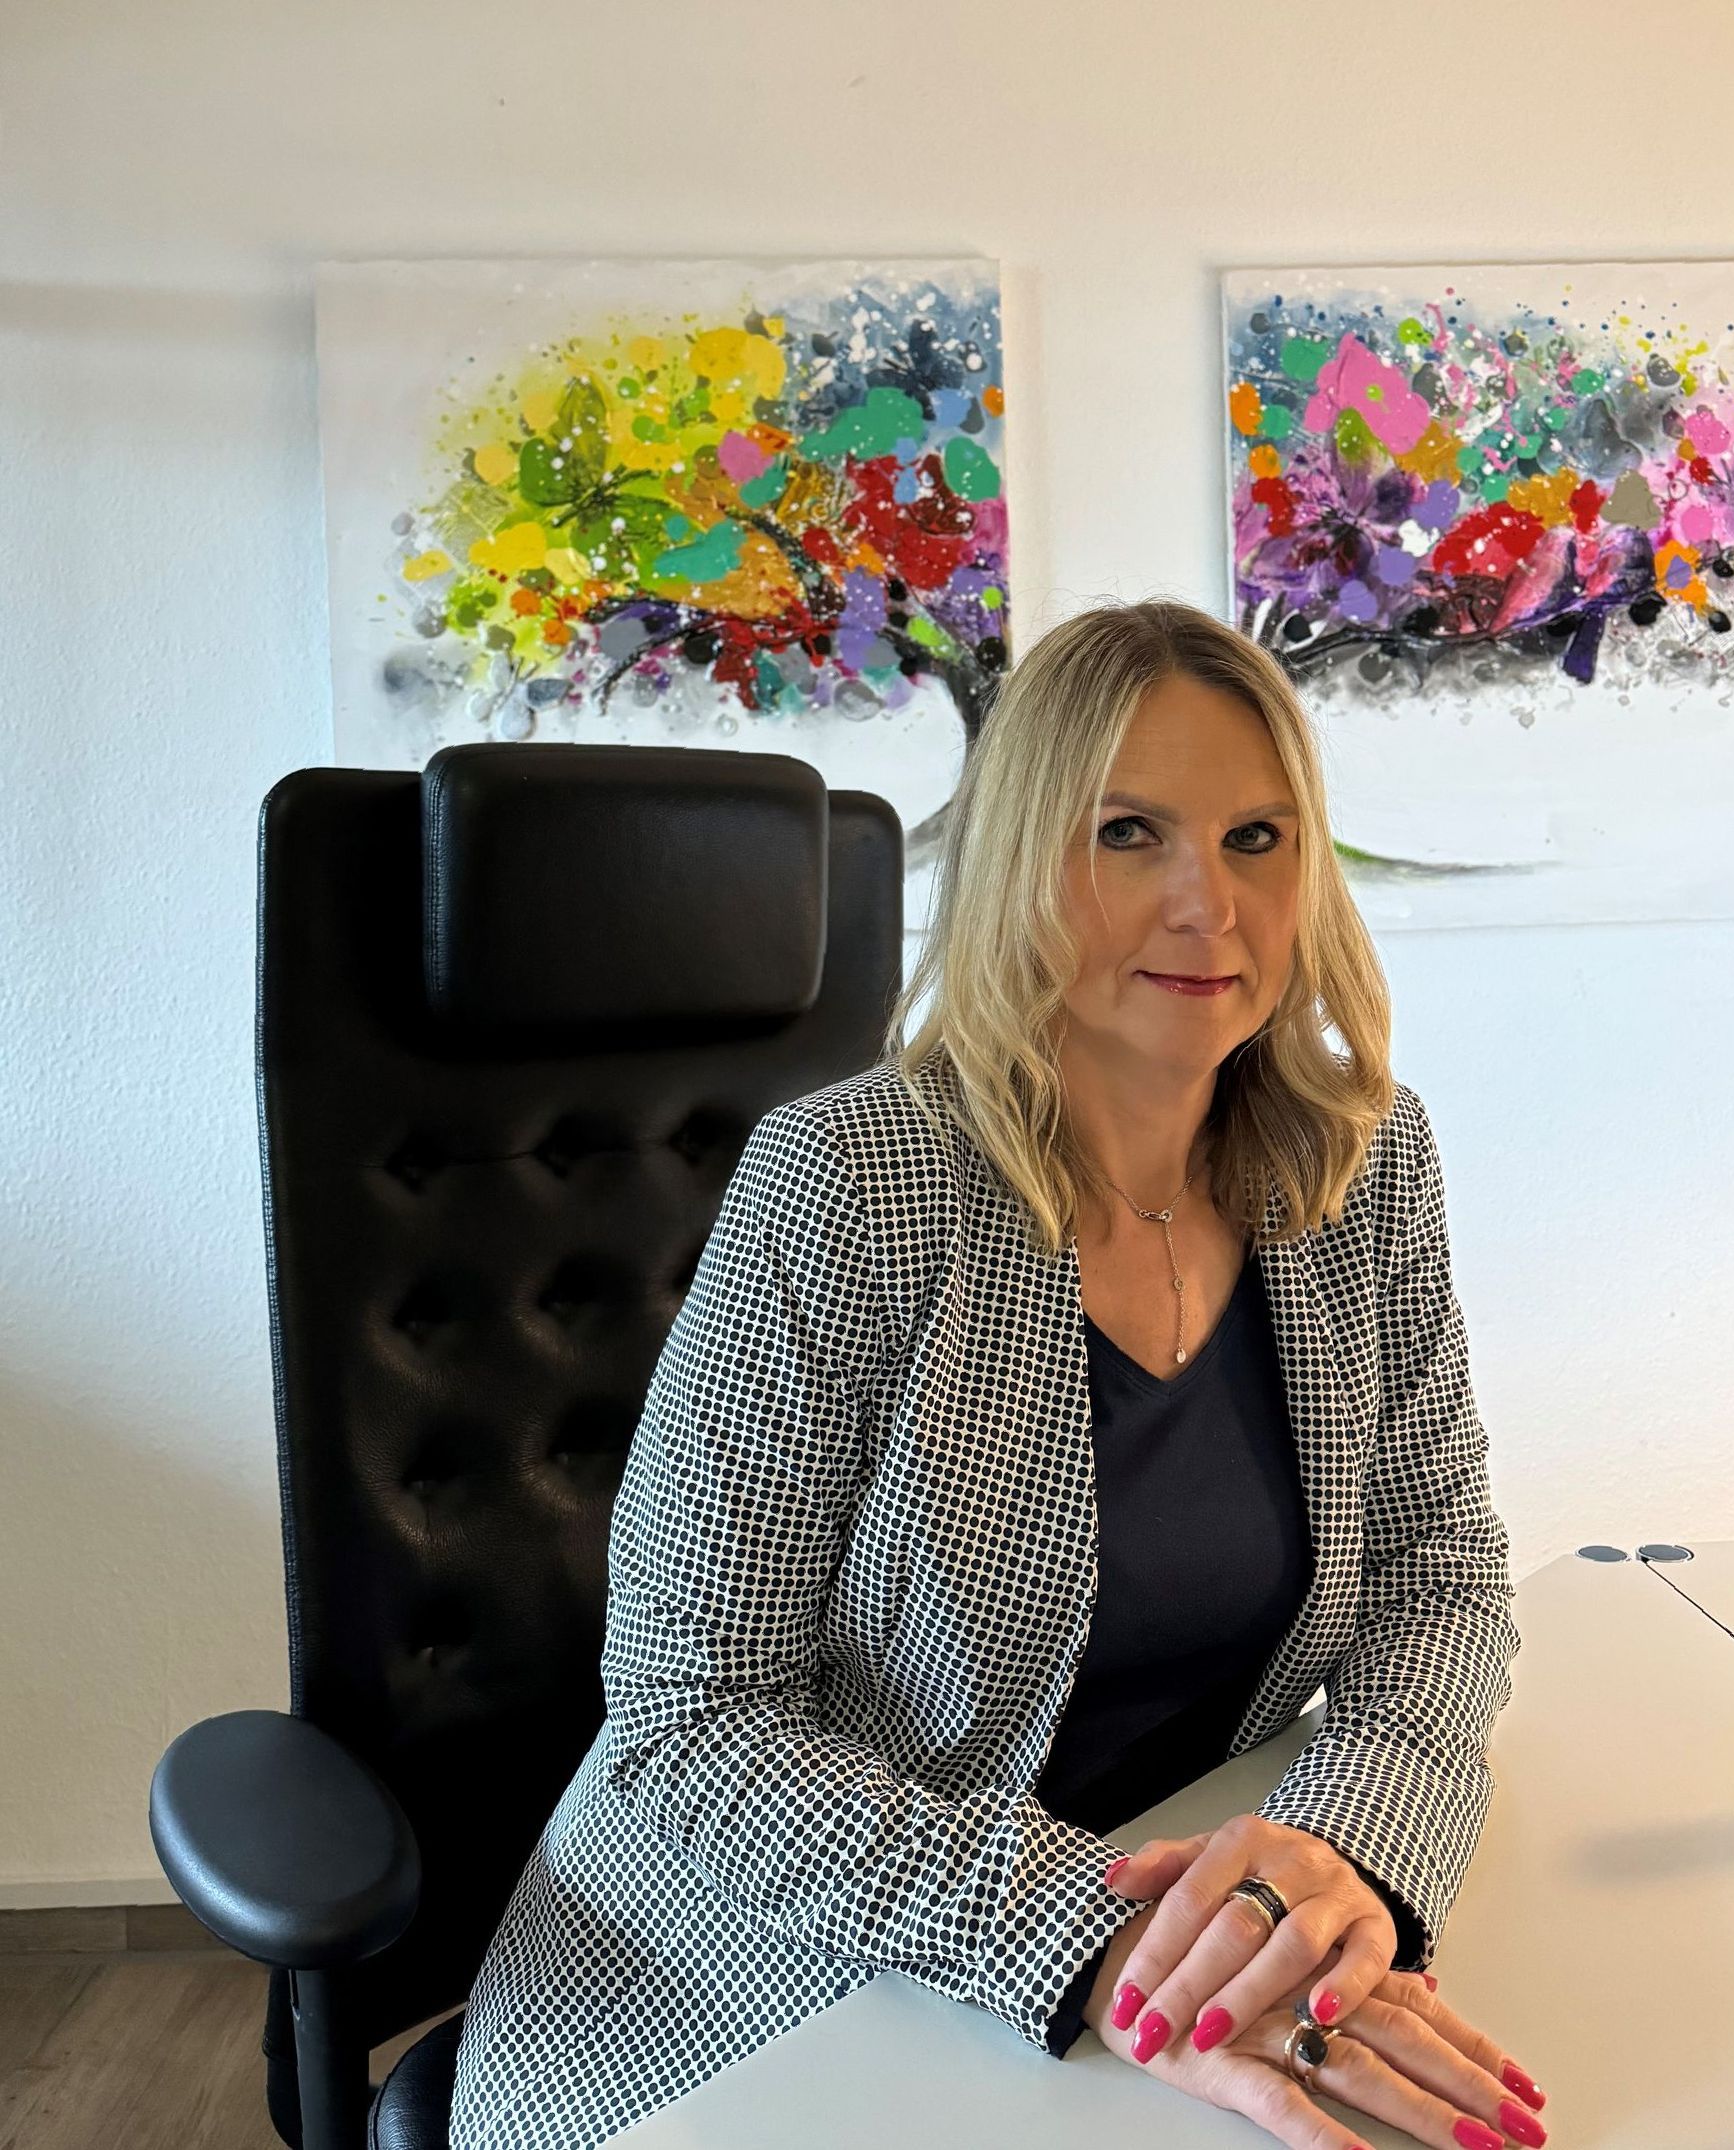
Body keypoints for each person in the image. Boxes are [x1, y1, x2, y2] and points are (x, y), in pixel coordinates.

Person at [448, 597, 1543, 2150]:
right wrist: (1096, 1945)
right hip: (765, 1971)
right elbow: (689, 1717)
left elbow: (1443, 1579)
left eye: (1255, 838)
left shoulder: (1360, 1161)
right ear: (1028, 852)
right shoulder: (846, 1185)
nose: (1206, 904)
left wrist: (1331, 1859)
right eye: (1130, 833)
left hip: (1170, 1947)